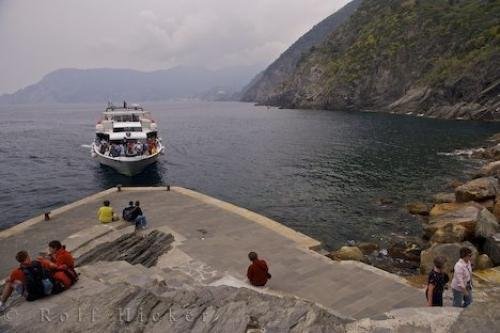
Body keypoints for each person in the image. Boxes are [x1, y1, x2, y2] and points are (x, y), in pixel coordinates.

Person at [0, 251, 67, 310]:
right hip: (47, 290)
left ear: (19, 261)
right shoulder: (38, 262)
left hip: (33, 296)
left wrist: (12, 278)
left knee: (9, 282)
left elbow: (7, 280)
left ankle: (2, 303)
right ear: (28, 257)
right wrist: (46, 259)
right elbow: (54, 266)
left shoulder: (16, 272)